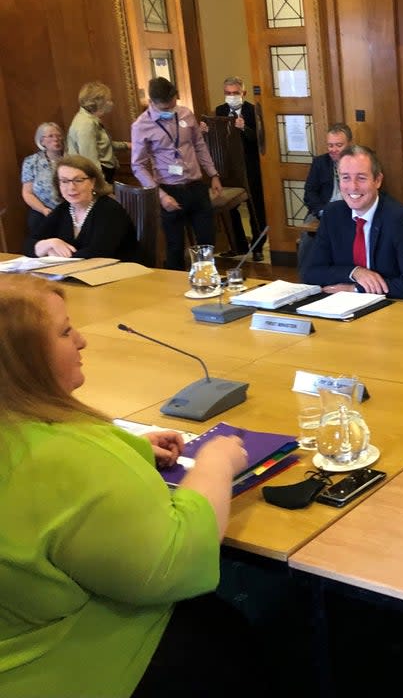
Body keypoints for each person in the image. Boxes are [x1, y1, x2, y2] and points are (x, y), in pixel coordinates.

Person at [0, 274, 261, 698]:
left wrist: (129, 451)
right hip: (64, 670)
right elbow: (176, 566)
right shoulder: (61, 456)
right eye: (65, 332)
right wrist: (214, 464)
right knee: (224, 629)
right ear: (21, 358)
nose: (81, 341)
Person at [301, 144, 403, 299]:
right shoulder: (333, 214)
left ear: (378, 180)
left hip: (390, 307)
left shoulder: (399, 218)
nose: (353, 187)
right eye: (345, 177)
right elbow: (310, 273)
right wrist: (355, 272)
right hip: (342, 308)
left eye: (361, 178)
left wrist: (355, 289)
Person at [131, 77, 222, 270]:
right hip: (169, 189)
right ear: (152, 103)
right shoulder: (141, 126)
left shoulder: (186, 114)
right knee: (175, 246)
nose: (169, 111)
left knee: (207, 240)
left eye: (172, 106)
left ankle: (207, 280)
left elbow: (199, 145)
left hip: (196, 185)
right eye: (164, 109)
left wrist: (213, 174)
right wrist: (161, 195)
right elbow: (138, 166)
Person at [31, 155, 139, 261]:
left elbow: (99, 253)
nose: (71, 187)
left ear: (93, 182)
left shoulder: (110, 210)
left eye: (78, 180)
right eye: (64, 181)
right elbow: (29, 243)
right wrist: (49, 244)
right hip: (76, 273)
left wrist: (53, 255)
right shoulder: (63, 209)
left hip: (121, 274)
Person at [215, 77, 267, 261]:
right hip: (229, 168)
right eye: (227, 93)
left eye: (235, 93)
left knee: (256, 208)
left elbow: (260, 141)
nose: (231, 96)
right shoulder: (220, 110)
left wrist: (245, 128)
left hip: (251, 166)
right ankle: (238, 245)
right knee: (230, 206)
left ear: (243, 93)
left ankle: (258, 246)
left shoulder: (253, 111)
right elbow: (219, 137)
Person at [298, 123, 353, 266]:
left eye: (339, 145)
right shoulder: (320, 162)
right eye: (330, 145)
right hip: (323, 211)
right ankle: (306, 280)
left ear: (350, 144)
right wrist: (322, 211)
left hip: (351, 211)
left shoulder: (359, 162)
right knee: (308, 238)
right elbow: (309, 192)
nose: (333, 150)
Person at [66, 81, 128, 193]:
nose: (111, 103)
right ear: (98, 102)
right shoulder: (86, 124)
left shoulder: (90, 119)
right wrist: (104, 188)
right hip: (99, 179)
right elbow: (91, 160)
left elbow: (101, 145)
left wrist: (126, 145)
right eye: (108, 100)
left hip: (104, 175)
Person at [20, 122, 65, 245]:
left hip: (69, 212)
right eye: (50, 136)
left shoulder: (70, 158)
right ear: (42, 141)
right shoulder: (31, 161)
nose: (56, 139)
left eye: (58, 135)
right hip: (42, 213)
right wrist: (44, 210)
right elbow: (27, 193)